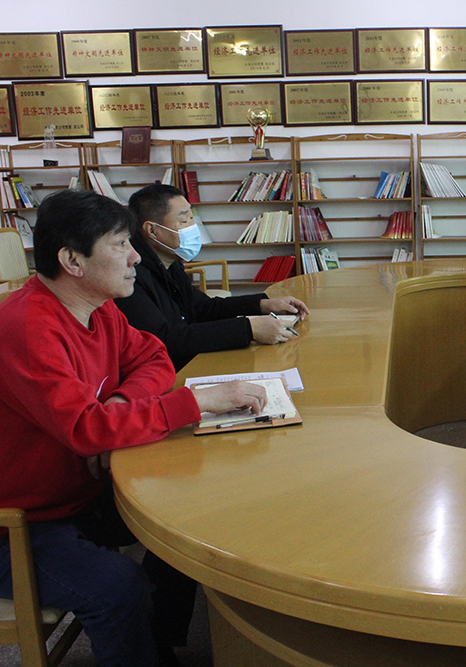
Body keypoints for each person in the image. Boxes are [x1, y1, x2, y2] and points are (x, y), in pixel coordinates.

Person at [0, 190, 268, 666]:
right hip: (20, 523)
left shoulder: (97, 306)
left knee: (187, 516)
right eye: (120, 244)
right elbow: (86, 429)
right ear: (72, 261)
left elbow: (154, 357)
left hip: (82, 492)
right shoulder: (24, 325)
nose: (135, 257)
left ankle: (159, 644)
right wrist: (193, 403)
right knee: (119, 588)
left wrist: (122, 402)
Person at [116, 184, 309, 370]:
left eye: (192, 218)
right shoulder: (130, 276)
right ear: (152, 230)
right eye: (183, 221)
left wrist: (263, 305)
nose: (193, 227)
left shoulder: (170, 263)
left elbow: (203, 308)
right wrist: (249, 329)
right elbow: (164, 339)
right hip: (169, 374)